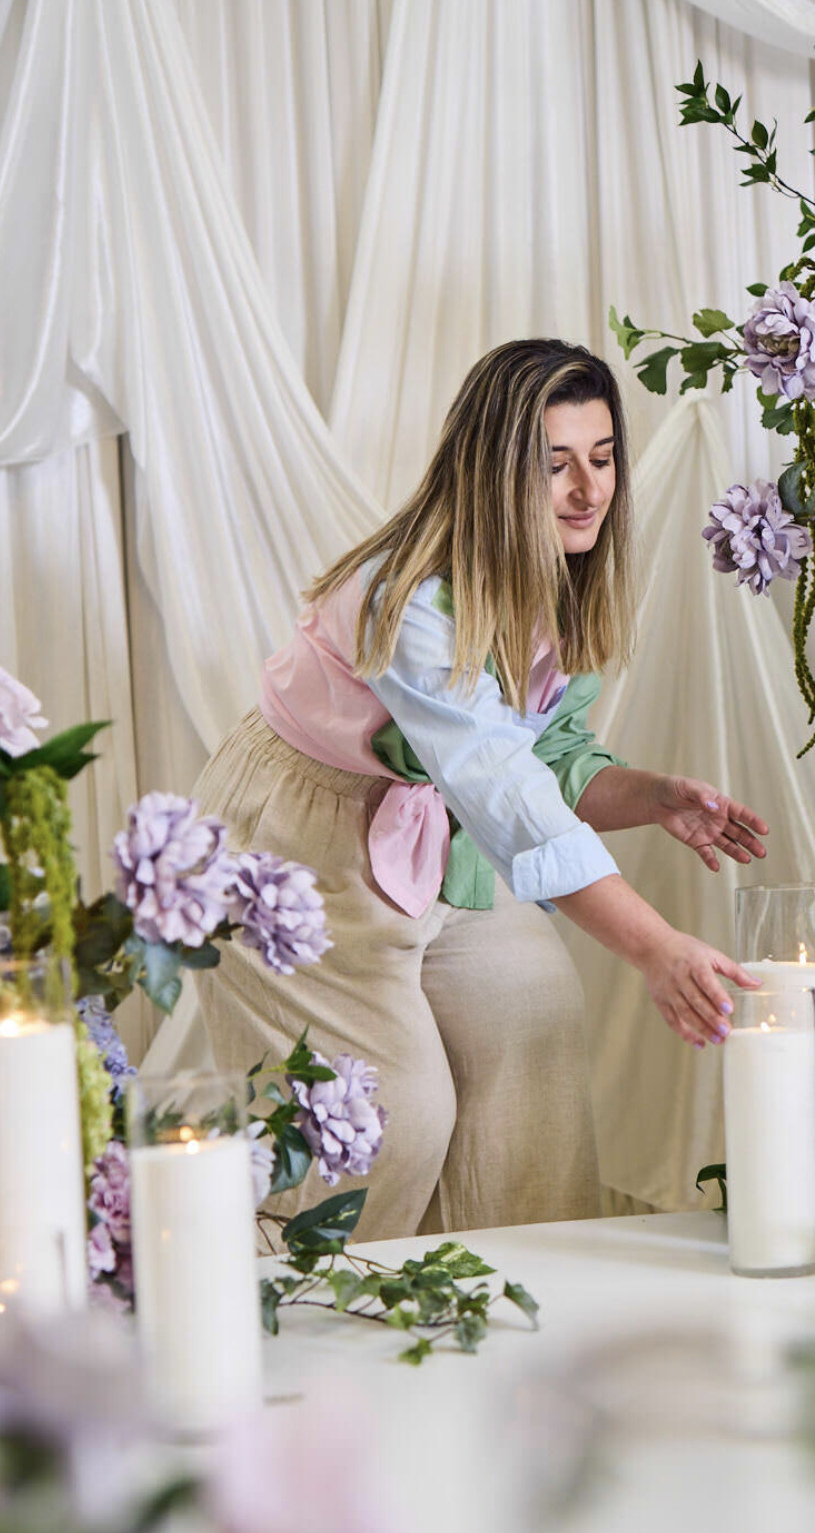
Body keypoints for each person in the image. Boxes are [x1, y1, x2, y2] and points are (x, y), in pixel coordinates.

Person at [194, 338, 767, 1240]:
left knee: (534, 1027)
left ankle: (516, 1293)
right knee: (389, 1115)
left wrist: (652, 795)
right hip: (298, 842)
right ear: (495, 472)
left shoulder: (556, 577)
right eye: (556, 465)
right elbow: (500, 785)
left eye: (603, 458)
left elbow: (549, 753)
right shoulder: (407, 599)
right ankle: (304, 1294)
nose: (588, 489)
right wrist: (656, 948)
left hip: (443, 835)